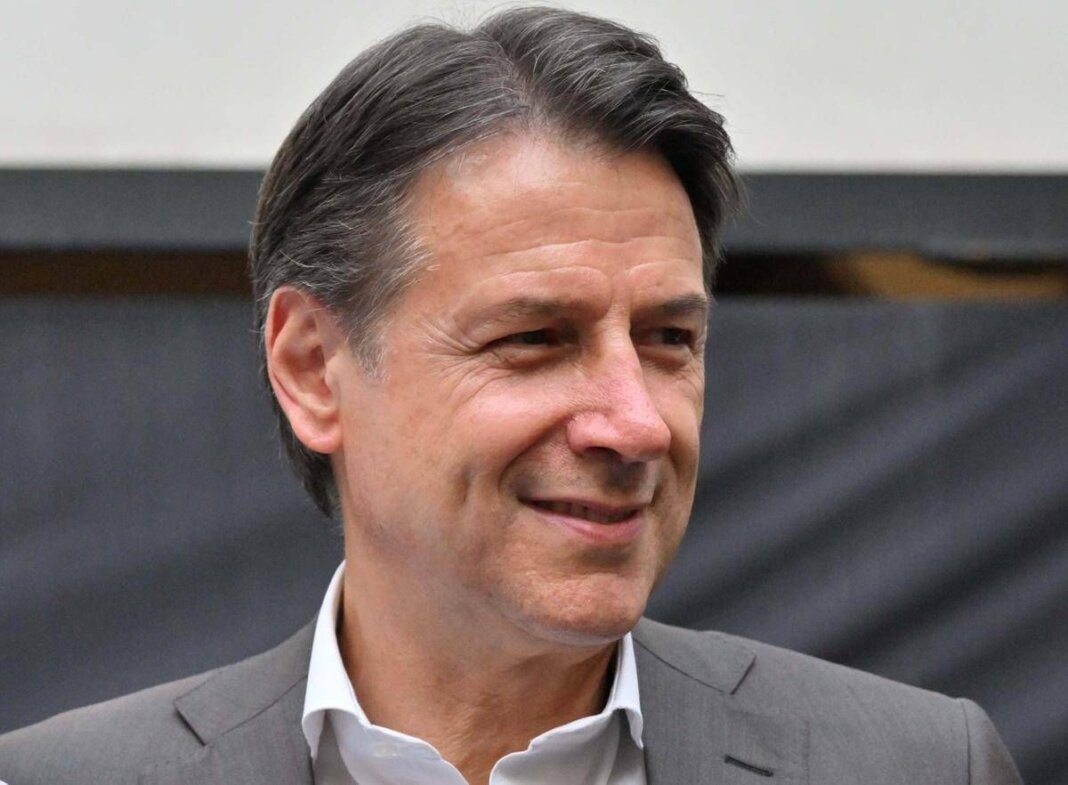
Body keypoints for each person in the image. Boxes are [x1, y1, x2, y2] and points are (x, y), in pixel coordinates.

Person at [0, 7, 1022, 784]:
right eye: (535, 339)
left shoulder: (919, 766)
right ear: (313, 367)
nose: (635, 423)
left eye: (669, 339)